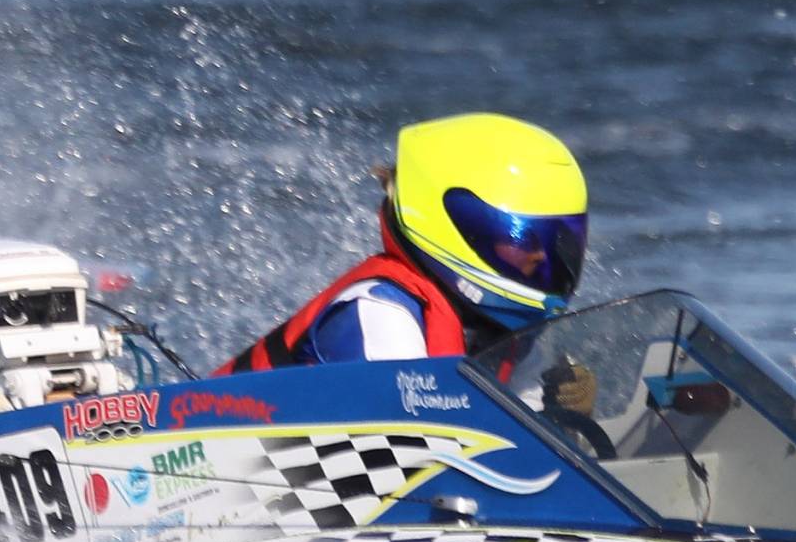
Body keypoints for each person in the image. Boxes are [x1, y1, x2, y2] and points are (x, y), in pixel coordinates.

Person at [218, 113, 591, 371]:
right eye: (525, 239)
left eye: (557, 241)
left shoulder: (501, 332)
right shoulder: (381, 314)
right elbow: (414, 469)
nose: (542, 256)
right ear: (461, 229)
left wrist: (565, 418)